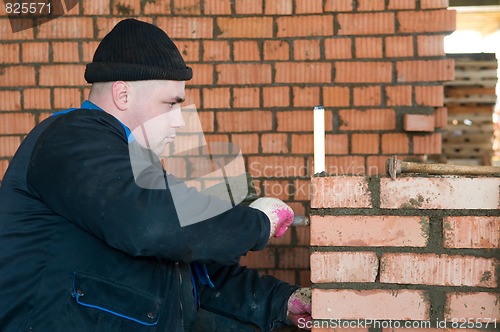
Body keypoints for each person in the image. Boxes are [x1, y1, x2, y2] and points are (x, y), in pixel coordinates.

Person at [0, 18, 311, 331]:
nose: (179, 121)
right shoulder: (71, 138)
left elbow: (190, 268)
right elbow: (154, 225)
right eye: (171, 103)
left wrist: (282, 302)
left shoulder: (133, 169)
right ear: (123, 95)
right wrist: (258, 223)